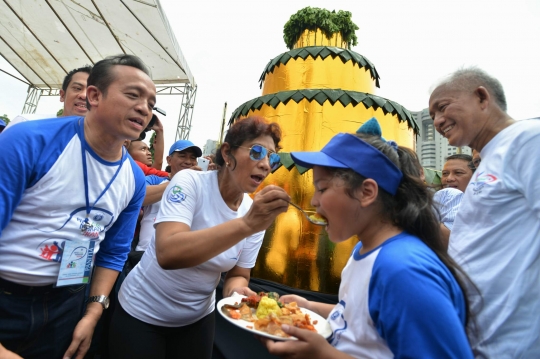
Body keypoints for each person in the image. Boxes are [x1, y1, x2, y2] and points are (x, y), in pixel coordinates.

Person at [262, 122, 473, 358]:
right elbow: (363, 316)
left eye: (321, 188)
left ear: (366, 192)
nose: (314, 202)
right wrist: (309, 307)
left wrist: (325, 355)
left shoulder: (404, 271)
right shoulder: (365, 249)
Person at [0, 54, 155, 359]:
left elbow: (113, 252)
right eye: (133, 95)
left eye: (151, 102)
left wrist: (92, 313)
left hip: (69, 302)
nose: (144, 108)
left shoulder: (134, 179)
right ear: (94, 95)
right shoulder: (29, 141)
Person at [109, 116, 289, 359]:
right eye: (257, 152)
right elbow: (168, 253)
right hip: (142, 313)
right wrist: (246, 225)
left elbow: (238, 274)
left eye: (273, 158)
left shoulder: (252, 211)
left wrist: (238, 295)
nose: (266, 164)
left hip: (197, 320)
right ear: (227, 153)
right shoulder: (189, 182)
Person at [429, 67, 540, 358]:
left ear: (481, 97)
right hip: (476, 336)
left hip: (513, 342)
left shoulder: (528, 141)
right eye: (431, 116)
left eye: (442, 107)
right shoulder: (488, 160)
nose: (438, 121)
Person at [5, 66, 93, 129]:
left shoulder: (100, 146)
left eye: (92, 92)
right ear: (62, 95)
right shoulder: (25, 124)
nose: (84, 95)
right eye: (77, 88)